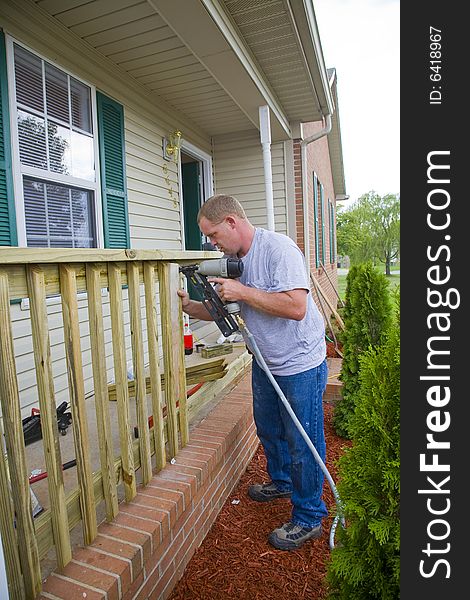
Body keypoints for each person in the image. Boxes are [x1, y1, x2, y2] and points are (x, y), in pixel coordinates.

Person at [177, 194, 328, 551]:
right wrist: (189, 305)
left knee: (302, 440)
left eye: (213, 234)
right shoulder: (231, 261)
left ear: (232, 222)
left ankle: (309, 516)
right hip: (265, 360)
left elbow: (296, 307)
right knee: (269, 428)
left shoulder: (279, 250)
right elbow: (223, 311)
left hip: (300, 363)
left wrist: (243, 291)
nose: (212, 243)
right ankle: (283, 481)